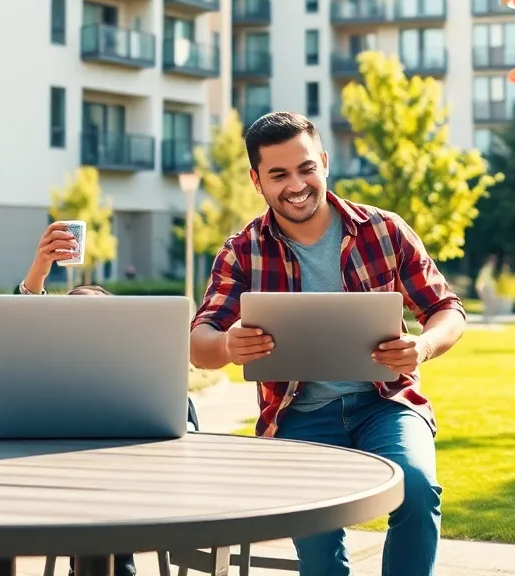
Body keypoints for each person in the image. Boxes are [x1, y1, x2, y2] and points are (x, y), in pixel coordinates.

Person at [189, 112, 467, 576]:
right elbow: (199, 342)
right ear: (257, 181)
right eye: (278, 174)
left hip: (387, 403)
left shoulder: (384, 230)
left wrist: (422, 347)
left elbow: (447, 310)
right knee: (319, 551)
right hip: (298, 415)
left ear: (323, 162)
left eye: (305, 168)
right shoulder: (242, 251)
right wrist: (228, 347)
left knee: (416, 488)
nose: (295, 184)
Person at [14, 222, 199, 576]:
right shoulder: (40, 370)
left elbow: (180, 419)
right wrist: (39, 270)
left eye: (95, 311)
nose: (83, 319)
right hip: (44, 479)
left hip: (119, 483)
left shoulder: (132, 374)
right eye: (71, 312)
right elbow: (23, 330)